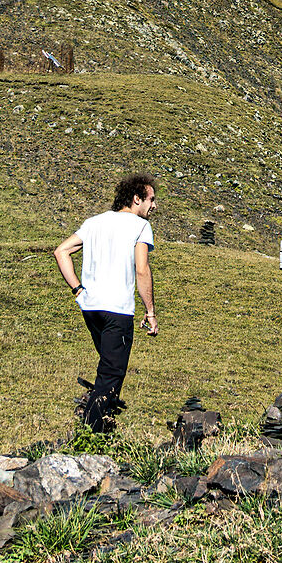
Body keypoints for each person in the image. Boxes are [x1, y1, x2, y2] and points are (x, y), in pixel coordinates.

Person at [54, 174, 159, 434]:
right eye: (151, 199)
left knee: (108, 368)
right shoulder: (140, 226)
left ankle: (98, 421)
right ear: (136, 199)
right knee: (112, 374)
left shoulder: (94, 222)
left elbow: (61, 251)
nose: (154, 206)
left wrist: (78, 289)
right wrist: (150, 311)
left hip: (91, 307)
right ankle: (92, 435)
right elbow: (142, 269)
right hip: (117, 310)